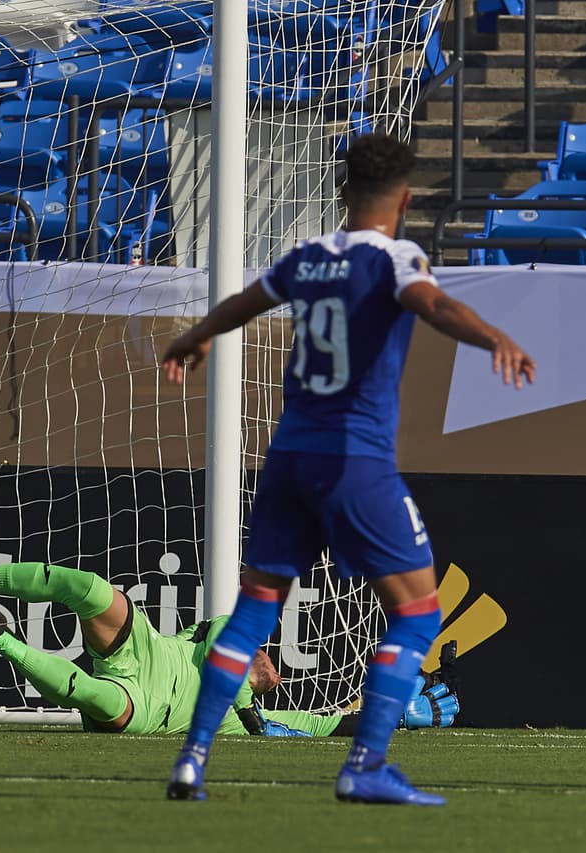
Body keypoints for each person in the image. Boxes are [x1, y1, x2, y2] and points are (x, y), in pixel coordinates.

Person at [159, 132, 535, 805]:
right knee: (419, 612)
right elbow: (436, 305)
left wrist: (193, 338)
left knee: (249, 616)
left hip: (288, 457)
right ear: (407, 198)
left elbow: (244, 304)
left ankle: (192, 758)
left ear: (341, 192)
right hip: (354, 460)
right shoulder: (398, 259)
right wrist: (495, 336)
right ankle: (364, 763)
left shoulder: (307, 258)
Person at [0, 527, 460, 738]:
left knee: (102, 701)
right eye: (266, 654)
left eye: (272, 666)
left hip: (148, 707)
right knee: (94, 590)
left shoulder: (270, 721)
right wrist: (246, 715)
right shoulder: (225, 643)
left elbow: (336, 725)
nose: (271, 660)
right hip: (149, 653)